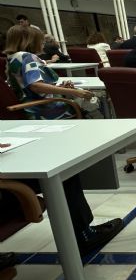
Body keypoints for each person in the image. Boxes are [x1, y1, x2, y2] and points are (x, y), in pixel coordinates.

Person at [2, 25, 122, 255]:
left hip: (37, 114)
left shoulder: (11, 58)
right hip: (49, 115)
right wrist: (74, 93)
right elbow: (35, 86)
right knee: (68, 174)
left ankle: (81, 228)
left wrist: (60, 88)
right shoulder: (26, 57)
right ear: (31, 40)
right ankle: (83, 232)